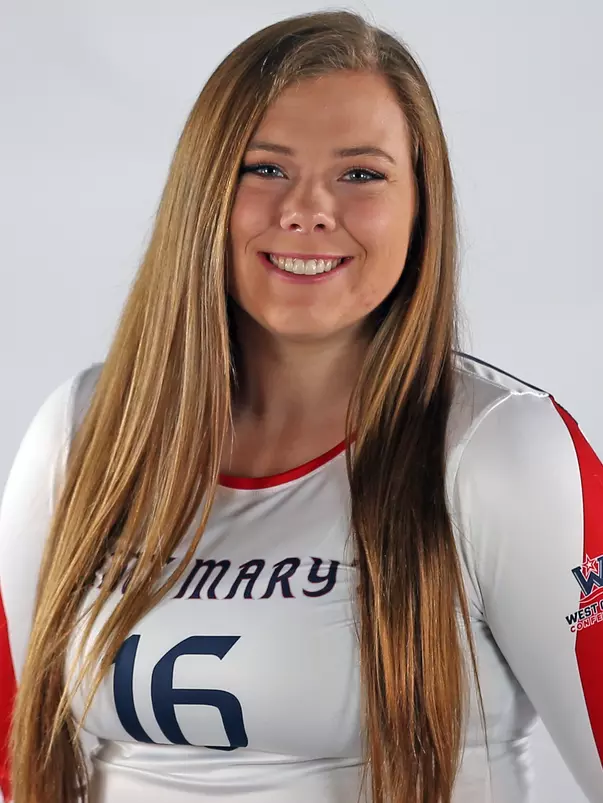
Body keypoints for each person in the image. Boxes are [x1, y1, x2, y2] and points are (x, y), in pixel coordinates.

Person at [0, 9, 602, 803]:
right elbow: (16, 764)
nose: (308, 210)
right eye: (264, 168)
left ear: (422, 204)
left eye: (361, 174)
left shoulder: (503, 449)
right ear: (202, 193)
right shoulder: (84, 429)